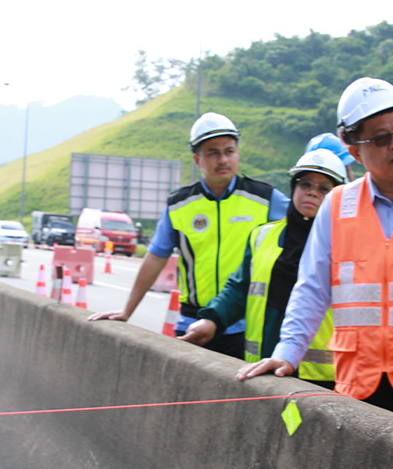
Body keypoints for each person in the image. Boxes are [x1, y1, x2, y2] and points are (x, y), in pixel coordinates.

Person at [238, 78, 393, 436]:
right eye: (380, 138)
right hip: (359, 386)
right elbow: (312, 288)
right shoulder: (337, 206)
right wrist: (288, 352)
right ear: (355, 152)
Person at [88, 112, 288, 359]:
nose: (223, 159)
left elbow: (305, 225)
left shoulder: (266, 199)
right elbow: (155, 258)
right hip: (191, 323)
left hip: (246, 325)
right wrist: (127, 311)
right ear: (197, 159)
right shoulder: (179, 204)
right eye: (213, 153)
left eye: (229, 151)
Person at [180, 149, 346, 387]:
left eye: (324, 189)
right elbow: (239, 288)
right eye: (305, 184)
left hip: (319, 376)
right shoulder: (263, 236)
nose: (312, 192)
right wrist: (211, 320)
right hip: (263, 365)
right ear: (293, 188)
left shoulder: (347, 245)